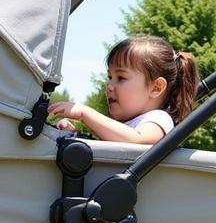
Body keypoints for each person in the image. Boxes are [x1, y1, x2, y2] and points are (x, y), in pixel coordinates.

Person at [49, 35, 198, 145]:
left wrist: (85, 113)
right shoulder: (127, 126)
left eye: (121, 78)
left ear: (156, 88)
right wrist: (75, 135)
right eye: (110, 77)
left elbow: (137, 140)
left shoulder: (158, 119)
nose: (109, 86)